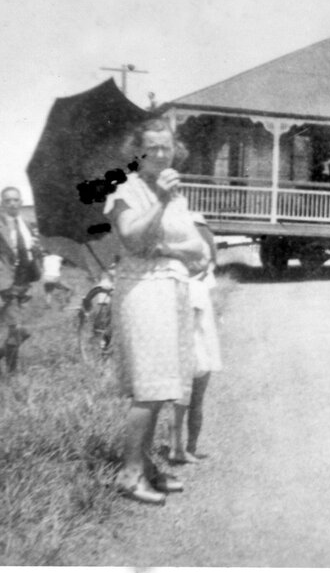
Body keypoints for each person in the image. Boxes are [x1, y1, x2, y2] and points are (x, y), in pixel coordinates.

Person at [105, 117, 210, 504]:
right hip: (143, 292)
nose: (161, 154)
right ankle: (129, 474)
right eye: (153, 148)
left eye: (167, 147)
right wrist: (162, 201)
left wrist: (177, 251)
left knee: (165, 385)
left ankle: (146, 466)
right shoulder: (124, 189)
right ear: (138, 151)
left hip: (173, 290)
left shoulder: (175, 193)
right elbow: (132, 239)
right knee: (148, 387)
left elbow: (198, 248)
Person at [168, 214, 223, 464]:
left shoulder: (181, 284)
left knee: (181, 403)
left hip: (188, 349)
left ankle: (181, 447)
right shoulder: (198, 286)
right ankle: (184, 447)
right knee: (193, 403)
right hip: (196, 351)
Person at [0, 186, 40, 374]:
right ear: (2, 203)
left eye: (15, 200)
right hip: (6, 283)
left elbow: (33, 250)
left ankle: (6, 359)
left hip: (26, 281)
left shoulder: (26, 224)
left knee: (26, 329)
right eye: (8, 200)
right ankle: (11, 372)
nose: (12, 204)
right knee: (15, 327)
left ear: (21, 202)